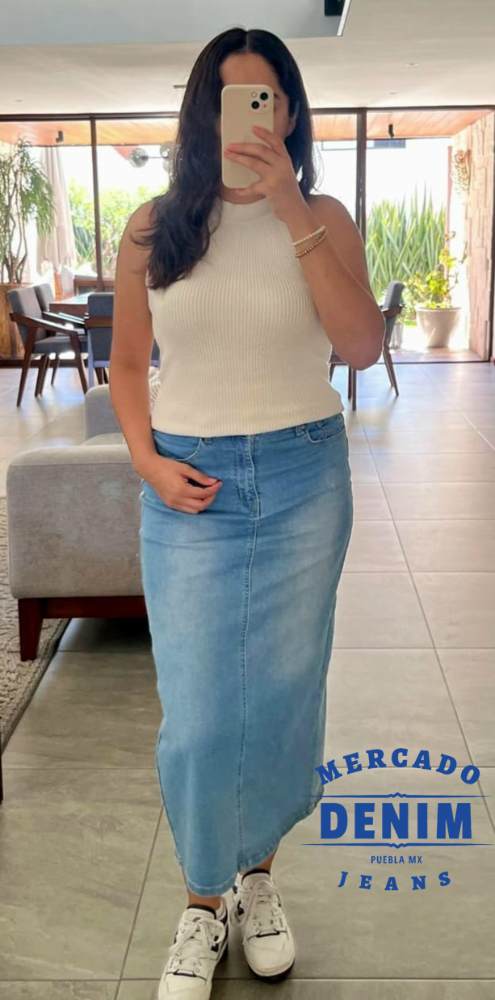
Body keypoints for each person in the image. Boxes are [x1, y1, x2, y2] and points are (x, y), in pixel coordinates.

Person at [110, 25, 385, 1000]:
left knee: (279, 695)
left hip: (305, 479)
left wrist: (291, 209)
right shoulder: (154, 228)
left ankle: (257, 881)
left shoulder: (326, 216)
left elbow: (360, 348)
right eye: (231, 101)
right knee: (196, 711)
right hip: (189, 485)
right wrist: (146, 460)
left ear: (291, 113)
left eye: (265, 100)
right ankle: (201, 904)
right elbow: (128, 364)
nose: (249, 121)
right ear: (202, 115)